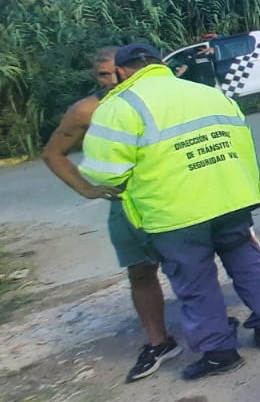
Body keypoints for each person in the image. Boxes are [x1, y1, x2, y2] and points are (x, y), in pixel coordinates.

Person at [80, 43, 260, 381]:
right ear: (159, 63)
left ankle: (220, 352)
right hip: (231, 197)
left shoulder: (120, 105)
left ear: (124, 70)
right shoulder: (206, 92)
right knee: (246, 264)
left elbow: (102, 173)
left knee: (196, 282)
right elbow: (241, 142)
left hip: (174, 212)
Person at [42, 46, 181, 383]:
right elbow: (53, 153)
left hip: (172, 196)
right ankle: (158, 341)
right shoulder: (88, 110)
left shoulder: (162, 96)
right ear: (97, 77)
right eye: (105, 73)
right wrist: (87, 190)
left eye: (119, 70)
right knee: (140, 272)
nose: (114, 78)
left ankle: (208, 321)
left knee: (190, 261)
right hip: (127, 205)